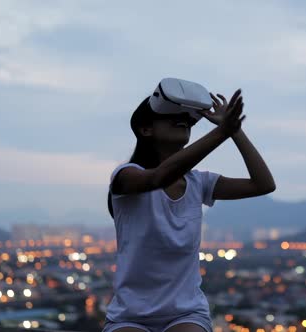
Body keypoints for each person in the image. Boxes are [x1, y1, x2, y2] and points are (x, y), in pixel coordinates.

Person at [103, 88, 276, 332]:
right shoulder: (125, 176)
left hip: (186, 312)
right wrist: (222, 132)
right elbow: (159, 178)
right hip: (129, 314)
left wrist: (235, 131)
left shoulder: (199, 183)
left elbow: (263, 184)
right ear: (145, 129)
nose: (183, 121)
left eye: (187, 120)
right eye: (172, 117)